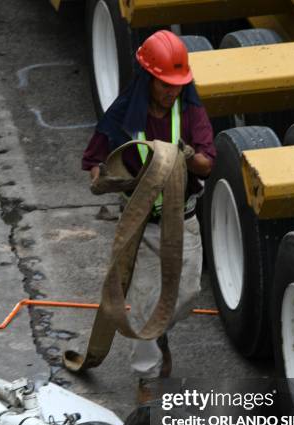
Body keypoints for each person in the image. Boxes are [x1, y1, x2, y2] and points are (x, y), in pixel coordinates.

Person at [82, 30, 216, 403]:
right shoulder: (124, 114)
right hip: (141, 226)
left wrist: (184, 155)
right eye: (164, 84)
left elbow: (207, 163)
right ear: (148, 78)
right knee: (141, 307)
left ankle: (159, 331)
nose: (171, 91)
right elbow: (94, 164)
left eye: (177, 84)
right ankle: (148, 379)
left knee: (186, 294)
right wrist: (109, 179)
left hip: (183, 221)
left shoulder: (190, 111)